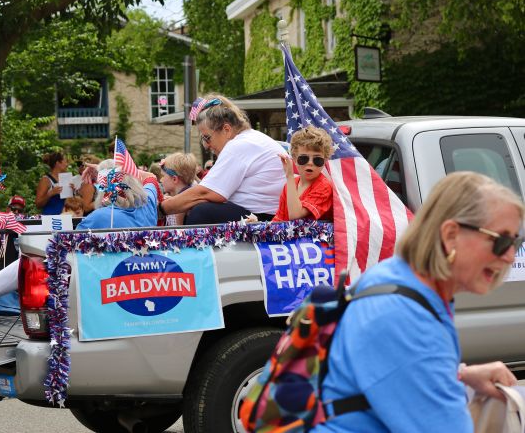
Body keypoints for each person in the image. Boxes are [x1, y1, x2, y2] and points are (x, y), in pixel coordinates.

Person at [315, 171, 523, 433]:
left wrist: (459, 376)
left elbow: (389, 371)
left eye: (515, 241)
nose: (509, 256)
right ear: (450, 236)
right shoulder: (405, 316)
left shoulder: (394, 278)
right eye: (501, 240)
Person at [0, 160, 159, 320]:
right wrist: (103, 168)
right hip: (133, 281)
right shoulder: (148, 206)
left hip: (95, 282)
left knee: (32, 256)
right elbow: (150, 177)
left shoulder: (101, 217)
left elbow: (61, 245)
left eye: (100, 186)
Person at [159, 95, 285, 224]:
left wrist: (161, 209)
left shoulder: (238, 145)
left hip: (263, 219)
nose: (206, 145)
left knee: (202, 212)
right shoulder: (250, 139)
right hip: (265, 215)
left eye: (207, 137)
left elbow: (204, 193)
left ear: (226, 130)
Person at [272, 126, 334, 222]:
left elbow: (295, 215)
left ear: (325, 161)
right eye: (303, 158)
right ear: (295, 159)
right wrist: (256, 224)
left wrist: (289, 176)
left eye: (317, 159)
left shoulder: (324, 186)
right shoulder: (290, 185)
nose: (310, 163)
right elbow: (279, 221)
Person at [160, 152, 198, 226]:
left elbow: (178, 233)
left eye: (163, 176)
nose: (161, 180)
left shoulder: (183, 206)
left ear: (174, 179)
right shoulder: (191, 194)